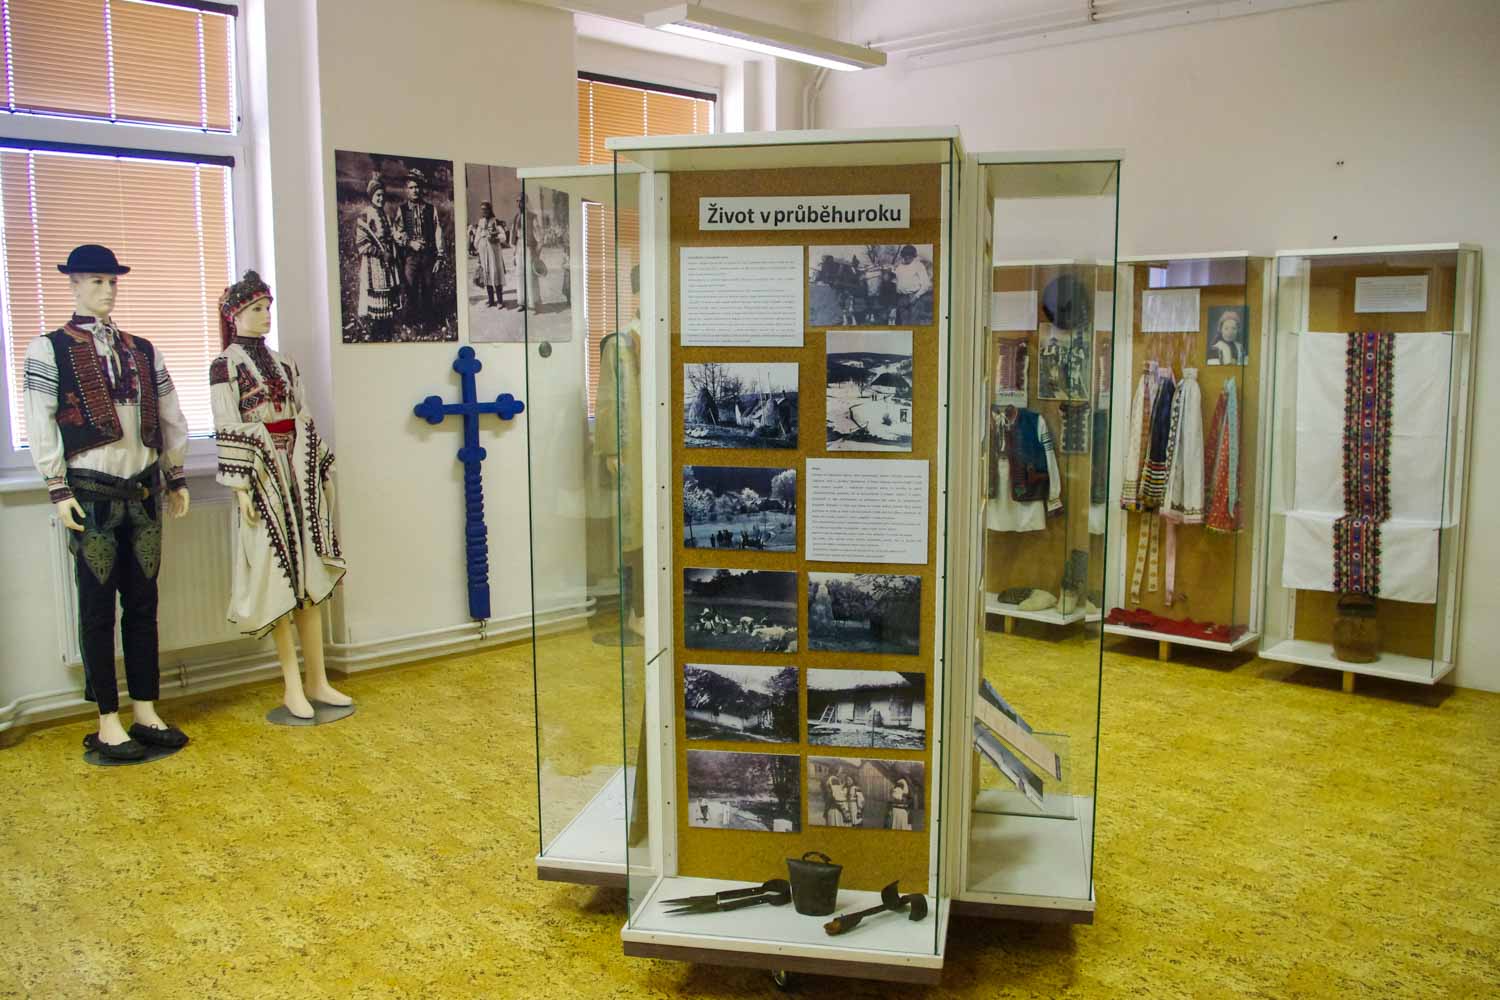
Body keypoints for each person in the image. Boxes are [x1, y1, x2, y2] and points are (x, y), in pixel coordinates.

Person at [23, 244, 191, 761]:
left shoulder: (143, 350)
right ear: (73, 284)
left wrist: (176, 475)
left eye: (112, 281)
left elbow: (170, 414)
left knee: (143, 604)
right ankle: (106, 718)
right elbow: (40, 420)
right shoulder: (47, 349)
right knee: (96, 609)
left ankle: (145, 708)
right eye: (96, 280)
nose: (107, 290)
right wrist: (57, 487)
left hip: (143, 491)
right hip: (90, 494)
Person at [210, 271, 349, 719]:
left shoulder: (285, 363)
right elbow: (227, 424)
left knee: (309, 575)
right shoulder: (224, 367)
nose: (265, 316)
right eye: (256, 309)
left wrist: (317, 466)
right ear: (234, 315)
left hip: (298, 477)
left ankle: (317, 679)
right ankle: (292, 684)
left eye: (268, 308)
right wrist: (242, 487)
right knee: (279, 579)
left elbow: (303, 414)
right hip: (263, 480)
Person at [394, 168, 446, 325]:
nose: (415, 190)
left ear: (421, 188)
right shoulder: (402, 210)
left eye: (417, 187)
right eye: (411, 187)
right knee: (410, 287)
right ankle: (412, 321)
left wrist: (440, 256)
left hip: (428, 255)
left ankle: (428, 321)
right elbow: (397, 232)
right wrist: (410, 242)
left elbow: (438, 231)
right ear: (407, 189)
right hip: (410, 256)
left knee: (428, 287)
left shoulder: (430, 209)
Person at [354, 176, 400, 340]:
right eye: (377, 195)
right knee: (376, 295)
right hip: (374, 262)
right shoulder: (365, 215)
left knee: (387, 295)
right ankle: (376, 332)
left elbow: (391, 234)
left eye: (382, 195)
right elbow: (362, 243)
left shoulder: (385, 215)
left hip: (387, 262)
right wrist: (381, 254)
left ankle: (387, 330)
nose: (381, 199)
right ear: (371, 196)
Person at [469, 200, 506, 308]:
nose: (484, 211)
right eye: (482, 210)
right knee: (486, 275)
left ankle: (500, 301)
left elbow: (503, 236)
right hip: (483, 252)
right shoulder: (480, 222)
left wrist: (495, 237)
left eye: (486, 209)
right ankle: (491, 300)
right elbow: (477, 238)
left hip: (494, 253)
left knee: (496, 274)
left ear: (490, 210)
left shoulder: (496, 221)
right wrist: (478, 248)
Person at [513, 191, 543, 313]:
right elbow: (514, 237)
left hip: (529, 248)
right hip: (519, 248)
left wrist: (537, 252)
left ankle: (534, 303)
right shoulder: (516, 217)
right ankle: (522, 302)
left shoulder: (532, 216)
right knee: (520, 275)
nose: (518, 203)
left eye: (520, 201)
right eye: (517, 201)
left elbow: (540, 236)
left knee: (530, 276)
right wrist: (514, 253)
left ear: (525, 202)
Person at [892, 244, 932, 325]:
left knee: (913, 324)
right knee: (903, 324)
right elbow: (895, 281)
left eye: (909, 255)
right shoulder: (899, 267)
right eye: (905, 255)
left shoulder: (918, 266)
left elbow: (926, 284)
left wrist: (916, 296)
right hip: (901, 298)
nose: (907, 257)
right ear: (903, 255)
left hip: (914, 298)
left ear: (913, 255)